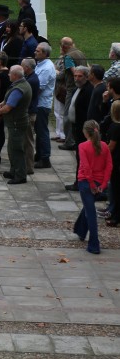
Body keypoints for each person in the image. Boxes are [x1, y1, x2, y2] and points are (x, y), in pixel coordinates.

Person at [73, 120, 113, 254]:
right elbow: (109, 166)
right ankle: (80, 229)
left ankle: (94, 244)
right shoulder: (105, 146)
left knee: (90, 212)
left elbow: (85, 166)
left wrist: (91, 184)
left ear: (85, 132)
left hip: (86, 183)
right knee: (88, 205)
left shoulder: (82, 146)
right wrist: (103, 184)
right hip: (99, 183)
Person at [0, 65, 32, 185]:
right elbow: (7, 100)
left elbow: (8, 107)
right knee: (12, 148)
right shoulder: (21, 85)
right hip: (16, 122)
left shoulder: (18, 89)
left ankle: (20, 175)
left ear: (15, 76)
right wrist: (1, 105)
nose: (8, 75)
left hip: (16, 122)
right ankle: (13, 170)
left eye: (10, 73)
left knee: (16, 149)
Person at [59, 37, 88, 150]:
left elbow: (75, 72)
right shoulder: (80, 53)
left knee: (67, 116)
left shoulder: (68, 57)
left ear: (64, 46)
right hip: (83, 87)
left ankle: (69, 142)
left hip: (72, 88)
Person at [103, 101, 120, 227]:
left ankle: (116, 215)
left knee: (116, 189)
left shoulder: (115, 127)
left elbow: (111, 146)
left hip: (116, 161)